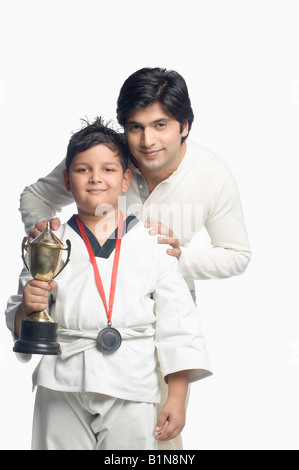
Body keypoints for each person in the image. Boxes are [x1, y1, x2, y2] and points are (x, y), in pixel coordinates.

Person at [18, 67, 251, 449]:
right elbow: (34, 196)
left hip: (151, 321)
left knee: (157, 441)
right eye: (135, 126)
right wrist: (46, 244)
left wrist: (177, 259)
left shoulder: (213, 175)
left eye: (160, 125)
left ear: (184, 126)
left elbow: (238, 255)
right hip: (76, 326)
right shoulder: (104, 157)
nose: (147, 141)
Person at [6, 118, 212, 451]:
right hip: (63, 381)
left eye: (108, 169)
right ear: (67, 181)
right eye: (83, 169)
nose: (96, 178)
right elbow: (21, 323)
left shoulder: (154, 243)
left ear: (126, 179)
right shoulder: (47, 242)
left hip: (134, 382)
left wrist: (176, 395)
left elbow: (179, 324)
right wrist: (27, 307)